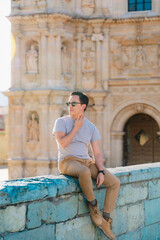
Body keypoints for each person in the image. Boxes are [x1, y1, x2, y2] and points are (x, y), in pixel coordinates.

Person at [52, 91, 120, 240]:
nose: (70, 106)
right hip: (67, 161)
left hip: (86, 161)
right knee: (84, 172)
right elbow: (63, 144)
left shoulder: (91, 127)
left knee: (114, 182)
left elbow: (97, 153)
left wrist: (101, 171)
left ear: (83, 106)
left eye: (73, 103)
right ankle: (94, 206)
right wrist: (76, 127)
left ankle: (106, 220)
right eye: (68, 103)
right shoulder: (61, 122)